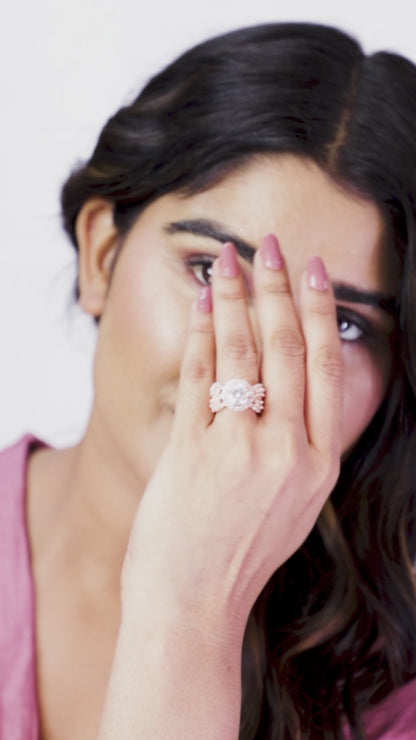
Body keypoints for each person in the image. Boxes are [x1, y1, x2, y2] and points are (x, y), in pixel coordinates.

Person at [1, 21, 416, 740]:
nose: (254, 361)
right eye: (209, 271)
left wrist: (189, 608)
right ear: (102, 254)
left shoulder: (394, 692)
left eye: (342, 324)